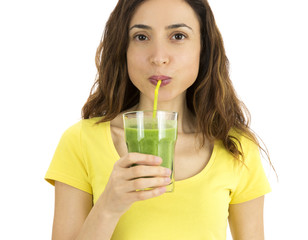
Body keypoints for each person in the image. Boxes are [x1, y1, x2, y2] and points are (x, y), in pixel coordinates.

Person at [45, 0, 273, 239]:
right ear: (123, 48)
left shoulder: (236, 147)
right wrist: (109, 205)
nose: (159, 58)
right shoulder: (81, 141)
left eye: (178, 36)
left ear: (203, 48)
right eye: (141, 37)